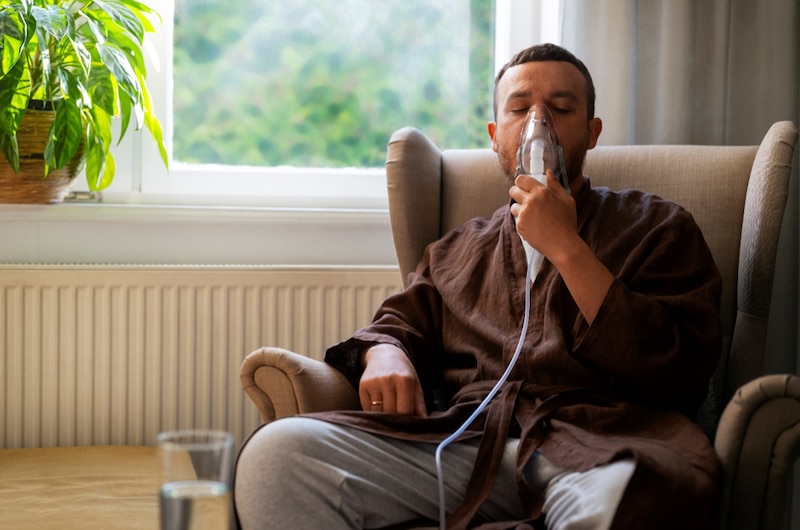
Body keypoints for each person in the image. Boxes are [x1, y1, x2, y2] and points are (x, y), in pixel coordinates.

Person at [234, 43, 722, 530]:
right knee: (278, 456)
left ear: (592, 132)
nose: (539, 122)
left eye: (560, 107)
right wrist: (383, 353)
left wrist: (568, 250)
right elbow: (397, 324)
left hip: (602, 449)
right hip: (467, 447)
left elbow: (682, 369)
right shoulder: (454, 253)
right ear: (495, 135)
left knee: (635, 497)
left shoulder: (657, 228)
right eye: (520, 108)